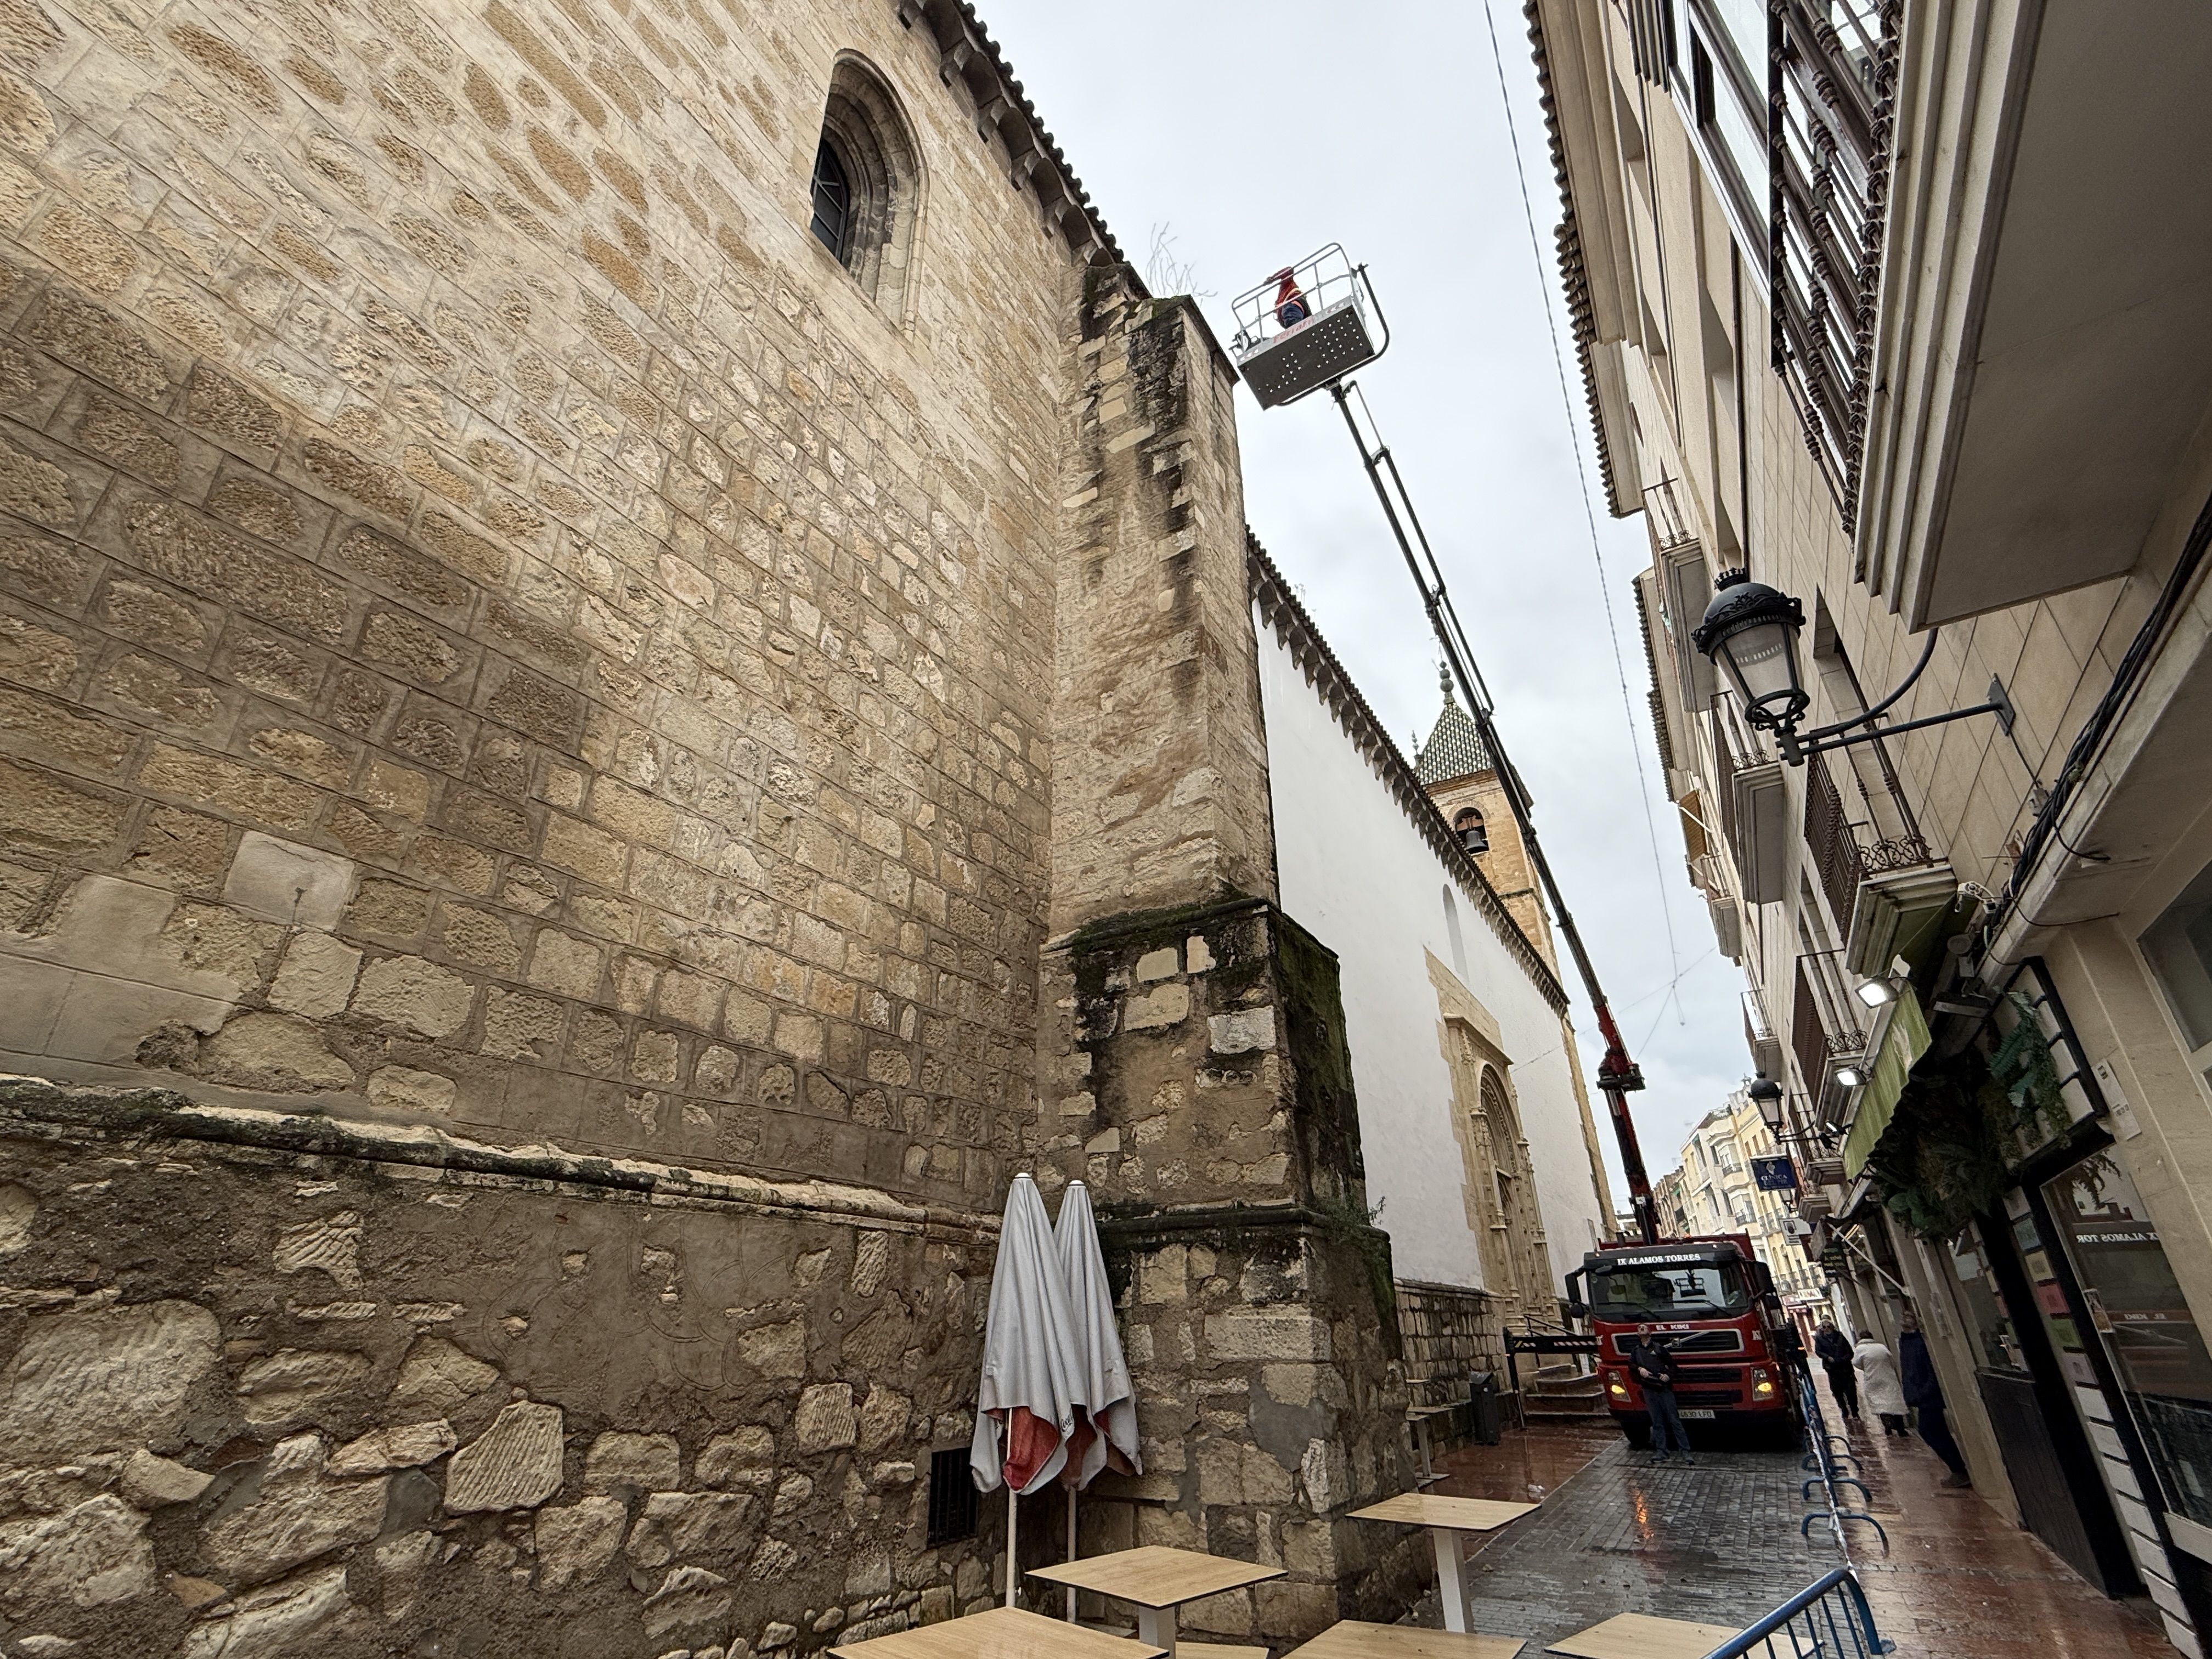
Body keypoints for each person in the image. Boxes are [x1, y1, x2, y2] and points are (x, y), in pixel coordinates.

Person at [1898, 1313, 1972, 1488]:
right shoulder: (1907, 1342)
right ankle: (1957, 1469)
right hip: (1921, 1396)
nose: (1903, 1320)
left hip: (1928, 1397)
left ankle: (1959, 1470)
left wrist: (1921, 1393)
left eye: (1907, 1318)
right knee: (1935, 1432)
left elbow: (1931, 1370)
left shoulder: (1921, 1343)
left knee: (1930, 1431)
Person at [1633, 1333, 1694, 1464]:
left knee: (1674, 1421)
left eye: (1644, 1327)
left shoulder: (1659, 1348)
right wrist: (1639, 1368)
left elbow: (1673, 1366)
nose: (1641, 1329)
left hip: (1664, 1389)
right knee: (1657, 1422)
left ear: (1650, 1332)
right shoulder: (1636, 1351)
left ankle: (1685, 1452)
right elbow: (1631, 1366)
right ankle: (1662, 1452)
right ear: (1638, 1334)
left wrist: (1668, 1376)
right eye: (1639, 1328)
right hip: (1649, 1390)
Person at [1853, 1325, 1909, 1436]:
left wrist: (1866, 1368)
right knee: (1894, 1402)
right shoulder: (1881, 1347)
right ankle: (1901, 1428)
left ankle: (1887, 1424)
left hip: (1872, 1378)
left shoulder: (1860, 1349)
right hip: (1888, 1377)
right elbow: (1892, 1362)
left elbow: (1856, 1363)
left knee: (1880, 1402)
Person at [1814, 1320, 1860, 1419]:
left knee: (1851, 1392)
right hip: (1832, 1370)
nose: (1827, 1329)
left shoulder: (1840, 1337)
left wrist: (1843, 1360)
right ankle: (1844, 1411)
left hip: (1846, 1369)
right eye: (1825, 1327)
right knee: (1837, 1392)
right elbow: (1818, 1351)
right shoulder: (1820, 1339)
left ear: (1832, 1327)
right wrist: (1827, 1358)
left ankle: (1855, 1412)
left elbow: (1850, 1352)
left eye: (1829, 1327)